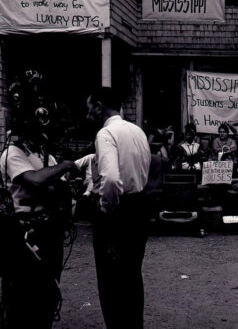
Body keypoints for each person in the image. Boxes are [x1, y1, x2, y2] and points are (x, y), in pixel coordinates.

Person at [0, 70, 77, 329]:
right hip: (25, 235)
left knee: (48, 293)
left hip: (50, 233)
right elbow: (35, 179)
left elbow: (57, 185)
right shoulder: (12, 153)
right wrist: (65, 167)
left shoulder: (44, 154)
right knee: (23, 298)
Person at [86, 87, 151, 329]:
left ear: (100, 106)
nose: (88, 115)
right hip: (139, 207)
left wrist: (105, 210)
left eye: (89, 108)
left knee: (111, 283)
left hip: (118, 213)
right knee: (132, 277)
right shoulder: (138, 132)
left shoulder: (105, 134)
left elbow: (111, 180)